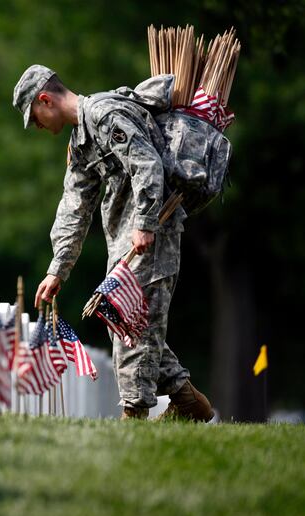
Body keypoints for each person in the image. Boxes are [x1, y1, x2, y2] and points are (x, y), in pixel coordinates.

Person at [12, 64, 213, 421]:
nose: (38, 126)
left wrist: (146, 223)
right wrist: (58, 269)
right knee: (119, 316)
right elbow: (74, 206)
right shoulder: (80, 141)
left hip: (151, 234)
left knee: (135, 321)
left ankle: (134, 414)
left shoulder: (106, 115)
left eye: (35, 117)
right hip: (125, 240)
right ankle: (187, 399)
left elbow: (147, 164)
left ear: (45, 99)